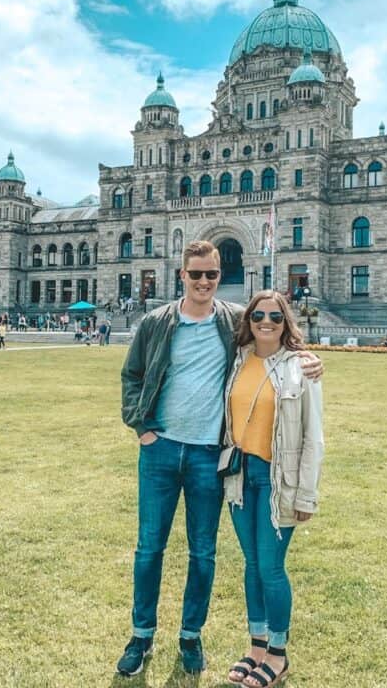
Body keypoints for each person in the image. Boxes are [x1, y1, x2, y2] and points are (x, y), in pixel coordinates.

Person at [117, 240, 323, 677]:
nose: (206, 281)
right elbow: (132, 376)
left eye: (212, 274)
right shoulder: (156, 322)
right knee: (149, 547)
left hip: (210, 457)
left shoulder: (233, 321)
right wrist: (144, 429)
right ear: (182, 275)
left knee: (204, 552)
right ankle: (141, 634)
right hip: (161, 451)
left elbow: (272, 344)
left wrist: (306, 357)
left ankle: (191, 635)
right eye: (197, 274)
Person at [222, 291, 323, 687]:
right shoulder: (238, 360)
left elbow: (314, 436)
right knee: (251, 566)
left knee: (271, 567)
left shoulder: (301, 367)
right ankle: (257, 648)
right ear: (248, 320)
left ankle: (278, 655)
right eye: (258, 315)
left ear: (287, 323)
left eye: (275, 317)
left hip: (277, 478)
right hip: (239, 476)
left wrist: (306, 495)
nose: (266, 322)